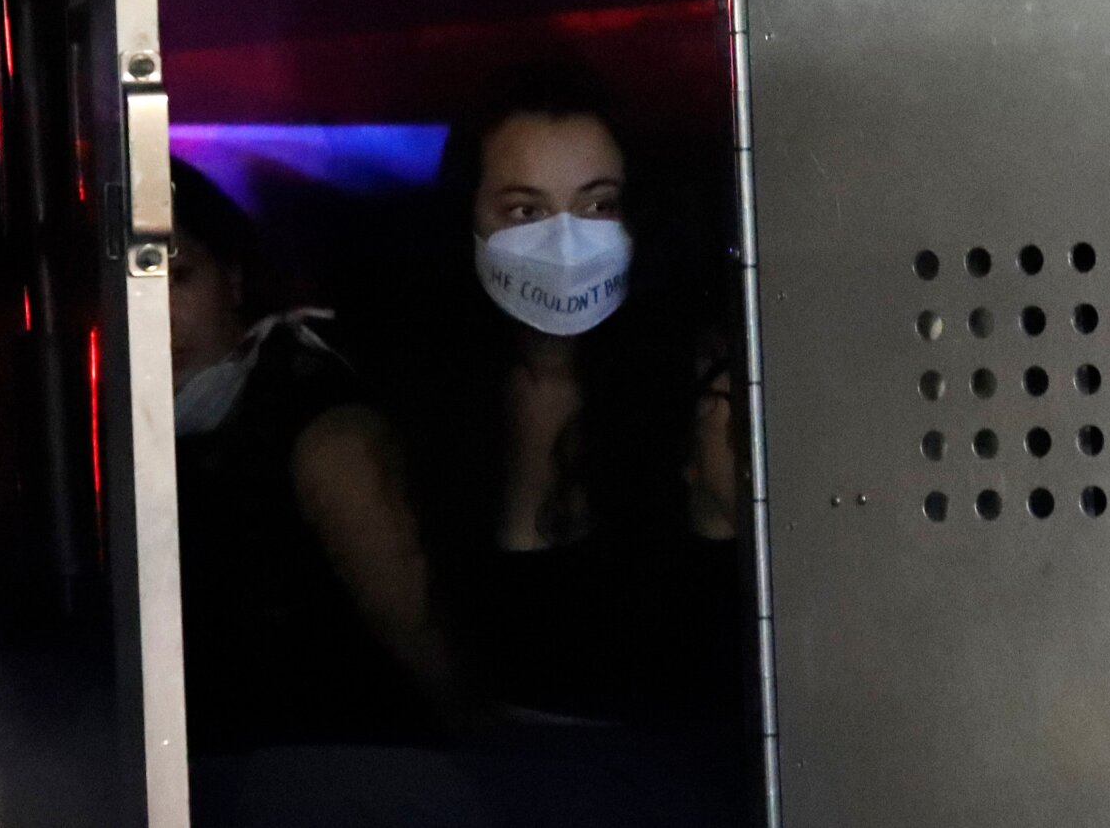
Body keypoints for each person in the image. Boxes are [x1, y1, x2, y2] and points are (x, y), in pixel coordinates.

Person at [340, 62, 749, 824]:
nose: (567, 242)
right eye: (525, 211)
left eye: (599, 206)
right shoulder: (431, 416)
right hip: (509, 797)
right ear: (469, 221)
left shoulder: (714, 394)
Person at [168, 158, 456, 764]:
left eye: (177, 277)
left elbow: (433, 655)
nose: (154, 316)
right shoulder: (107, 456)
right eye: (119, 288)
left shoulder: (316, 424)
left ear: (233, 279)